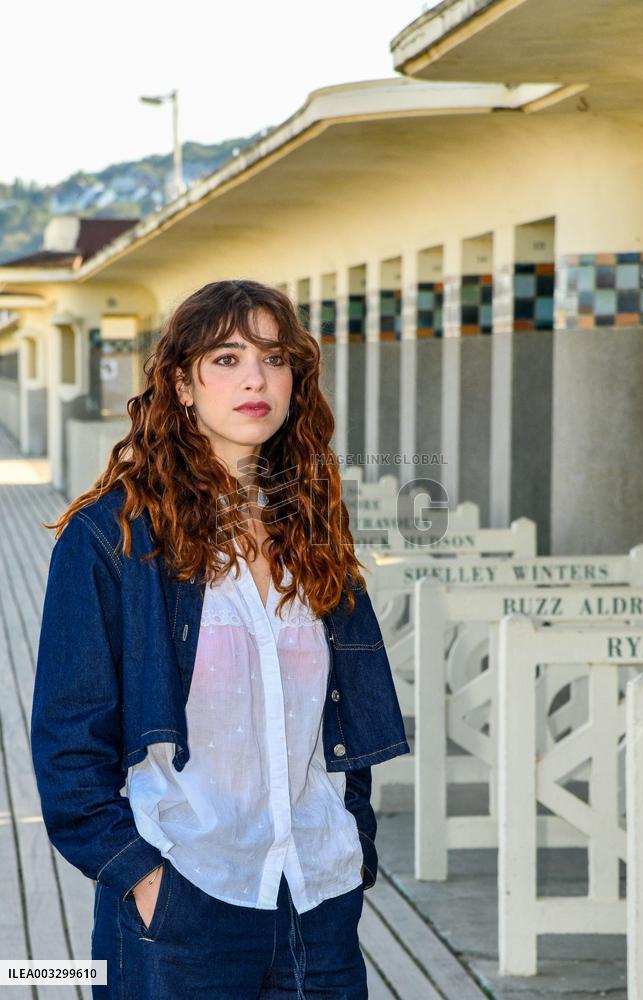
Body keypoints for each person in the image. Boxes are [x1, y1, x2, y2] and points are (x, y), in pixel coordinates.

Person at [30, 278, 410, 999]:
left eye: (275, 358)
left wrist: (352, 835)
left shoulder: (312, 527)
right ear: (181, 384)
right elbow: (68, 738)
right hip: (184, 900)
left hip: (319, 899)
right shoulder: (113, 538)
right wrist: (142, 877)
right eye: (227, 359)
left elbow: (337, 715)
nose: (255, 379)